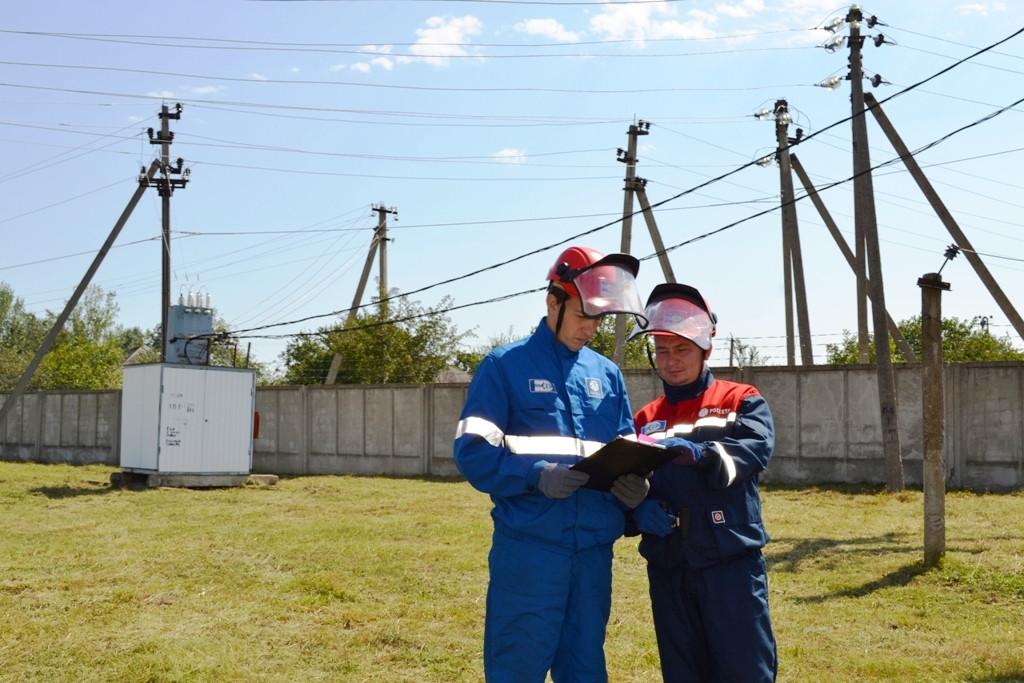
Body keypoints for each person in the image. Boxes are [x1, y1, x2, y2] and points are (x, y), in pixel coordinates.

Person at [453, 246, 652, 683]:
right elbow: (472, 451)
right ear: (553, 302)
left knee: (584, 667)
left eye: (598, 320)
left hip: (593, 553)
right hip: (530, 551)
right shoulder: (504, 365)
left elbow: (625, 446)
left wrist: (637, 486)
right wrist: (535, 475)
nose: (591, 329)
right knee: (516, 667)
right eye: (583, 316)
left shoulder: (607, 374)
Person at [627, 283, 777, 682]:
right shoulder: (643, 419)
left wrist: (702, 453)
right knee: (683, 673)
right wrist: (636, 510)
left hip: (729, 565)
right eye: (662, 350)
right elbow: (627, 482)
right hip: (669, 566)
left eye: (681, 350)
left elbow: (753, 453)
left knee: (744, 671)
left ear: (705, 348)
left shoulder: (740, 399)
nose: (671, 361)